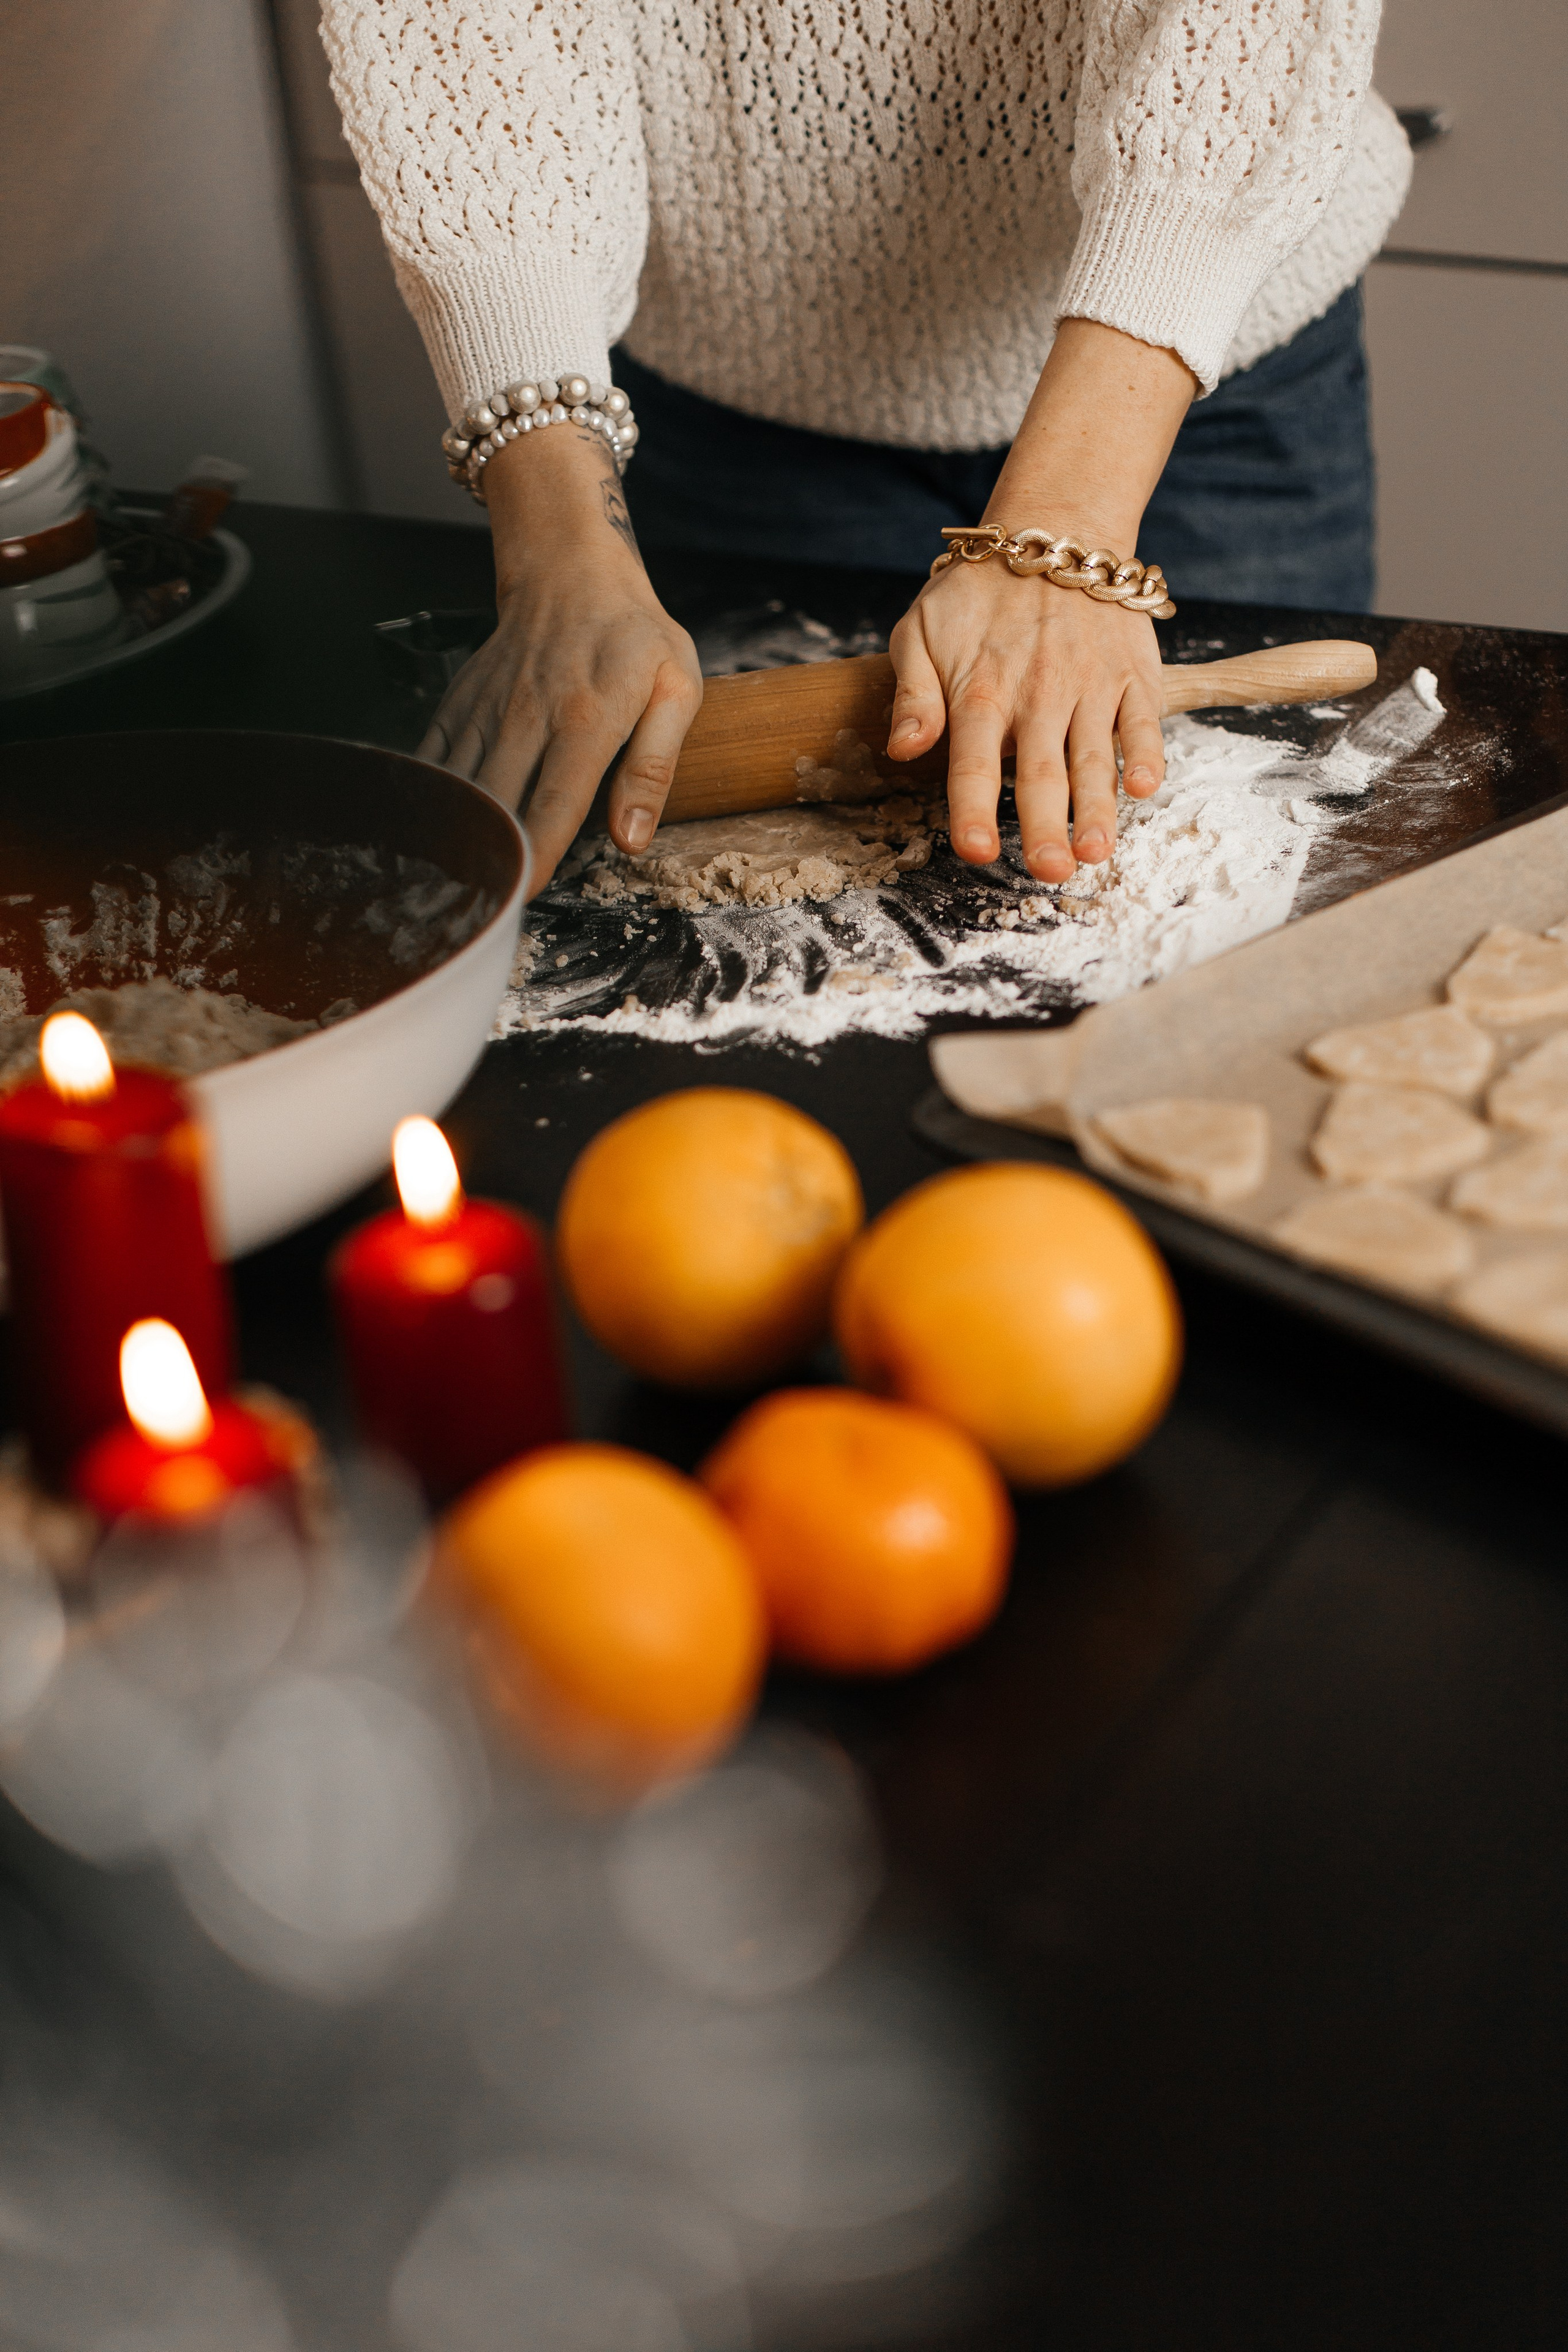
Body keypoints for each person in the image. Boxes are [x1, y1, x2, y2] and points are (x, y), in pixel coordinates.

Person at [322, 1, 1409, 895]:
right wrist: (562, 552)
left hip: (1185, 363)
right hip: (731, 395)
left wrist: (1065, 523)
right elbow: (473, 50)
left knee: (1270, 869)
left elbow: (1240, 43)